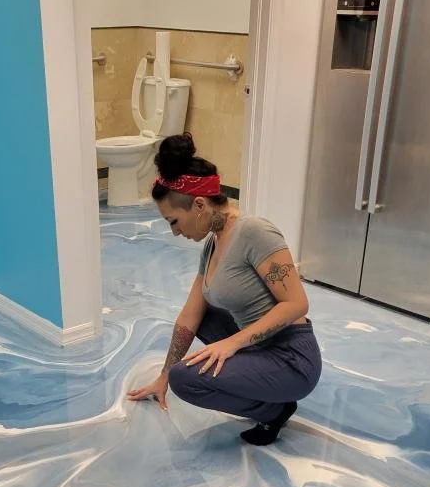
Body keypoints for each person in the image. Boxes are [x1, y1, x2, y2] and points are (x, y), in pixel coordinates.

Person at [127, 133, 322, 446]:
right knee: (202, 318)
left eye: (174, 221)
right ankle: (259, 384)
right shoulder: (212, 245)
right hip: (260, 346)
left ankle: (274, 409)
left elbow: (297, 304)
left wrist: (232, 343)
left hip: (292, 358)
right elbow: (189, 316)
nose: (175, 232)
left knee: (186, 381)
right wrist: (162, 374)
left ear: (200, 205)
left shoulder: (255, 232)